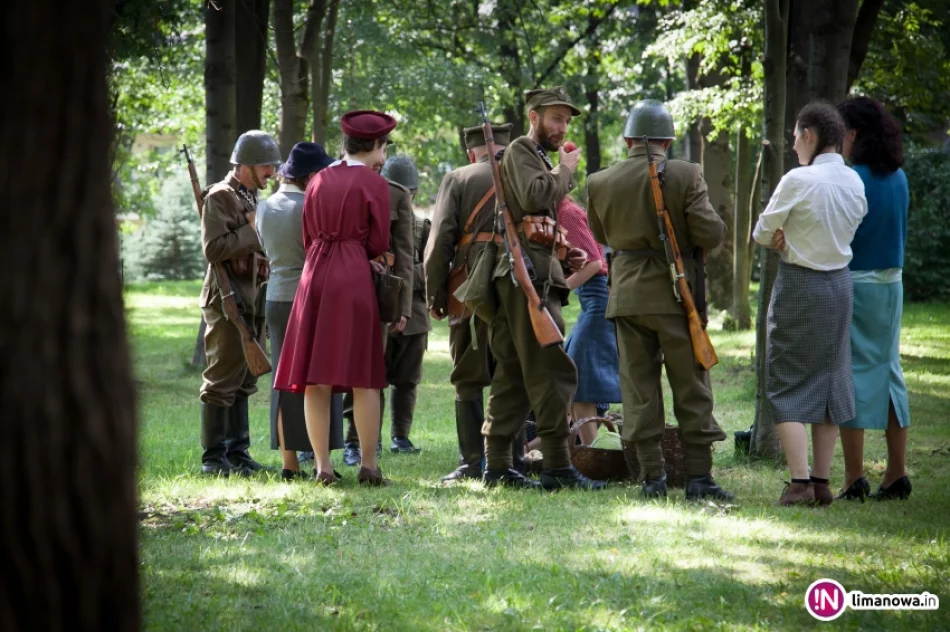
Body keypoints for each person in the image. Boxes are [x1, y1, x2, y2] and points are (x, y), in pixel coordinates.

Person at [587, 99, 732, 501]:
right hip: (676, 295)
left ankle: (652, 479)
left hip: (627, 297)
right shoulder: (687, 174)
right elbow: (711, 234)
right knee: (692, 386)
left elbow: (601, 233)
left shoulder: (599, 182)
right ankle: (699, 480)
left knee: (638, 389)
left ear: (629, 139)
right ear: (667, 140)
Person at [483, 86, 606, 491]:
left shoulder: (534, 157)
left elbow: (535, 217)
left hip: (533, 271)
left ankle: (498, 466)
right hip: (525, 279)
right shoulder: (521, 149)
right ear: (533, 116)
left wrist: (562, 251)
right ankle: (556, 467)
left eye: (567, 120)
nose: (562, 127)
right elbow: (536, 195)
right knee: (553, 371)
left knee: (514, 374)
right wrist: (566, 170)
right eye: (556, 118)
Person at [753, 102, 867, 506]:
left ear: (808, 135)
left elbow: (762, 231)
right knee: (830, 379)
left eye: (795, 136)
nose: (793, 145)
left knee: (786, 378)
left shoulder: (799, 179)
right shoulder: (855, 182)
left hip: (801, 282)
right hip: (840, 285)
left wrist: (779, 236)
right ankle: (821, 481)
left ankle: (799, 482)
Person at [274, 110, 397, 486]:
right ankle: (369, 466)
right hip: (353, 274)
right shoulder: (376, 184)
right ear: (375, 145)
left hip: (315, 275)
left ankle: (323, 468)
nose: (384, 155)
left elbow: (308, 234)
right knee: (365, 375)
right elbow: (378, 243)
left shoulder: (318, 179)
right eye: (384, 147)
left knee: (315, 376)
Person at [425, 123, 513, 481]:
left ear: (470, 153)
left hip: (468, 286)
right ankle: (512, 459)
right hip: (517, 283)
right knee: (513, 372)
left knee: (467, 375)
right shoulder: (527, 174)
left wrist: (434, 292)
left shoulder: (458, 178)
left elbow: (440, 239)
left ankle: (473, 462)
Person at [836, 96, 912, 501]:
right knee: (889, 372)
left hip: (858, 285)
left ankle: (853, 477)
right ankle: (896, 473)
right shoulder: (899, 177)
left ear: (852, 134)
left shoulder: (854, 179)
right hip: (892, 285)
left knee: (850, 376)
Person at [256, 141, 344, 481]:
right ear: (309, 177)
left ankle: (289, 463)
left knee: (283, 378)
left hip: (276, 297)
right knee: (319, 378)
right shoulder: (311, 206)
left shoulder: (264, 207)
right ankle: (324, 460)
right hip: (308, 297)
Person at [198, 130, 279, 476]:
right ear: (246, 165)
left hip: (253, 293)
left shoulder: (248, 197)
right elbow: (213, 248)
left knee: (246, 374)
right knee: (222, 377)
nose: (271, 174)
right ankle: (214, 458)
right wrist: (252, 230)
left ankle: (238, 452)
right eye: (266, 166)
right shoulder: (220, 196)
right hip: (226, 294)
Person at [340, 143, 415, 466]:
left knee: (373, 371)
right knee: (350, 370)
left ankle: (367, 441)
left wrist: (403, 305)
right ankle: (353, 441)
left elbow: (406, 256)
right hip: (344, 290)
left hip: (380, 292)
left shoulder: (396, 195)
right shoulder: (339, 183)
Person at [378, 155, 432, 454]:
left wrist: (410, 275)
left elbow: (432, 265)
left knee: (408, 380)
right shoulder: (373, 221)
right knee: (373, 379)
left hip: (416, 310)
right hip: (381, 307)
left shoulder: (424, 225)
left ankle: (400, 435)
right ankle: (365, 435)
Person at [558, 194, 621, 445]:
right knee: (572, 380)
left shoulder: (568, 213)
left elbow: (593, 264)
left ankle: (592, 453)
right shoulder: (559, 213)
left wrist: (558, 290)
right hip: (592, 304)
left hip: (599, 305)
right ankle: (588, 451)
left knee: (578, 382)